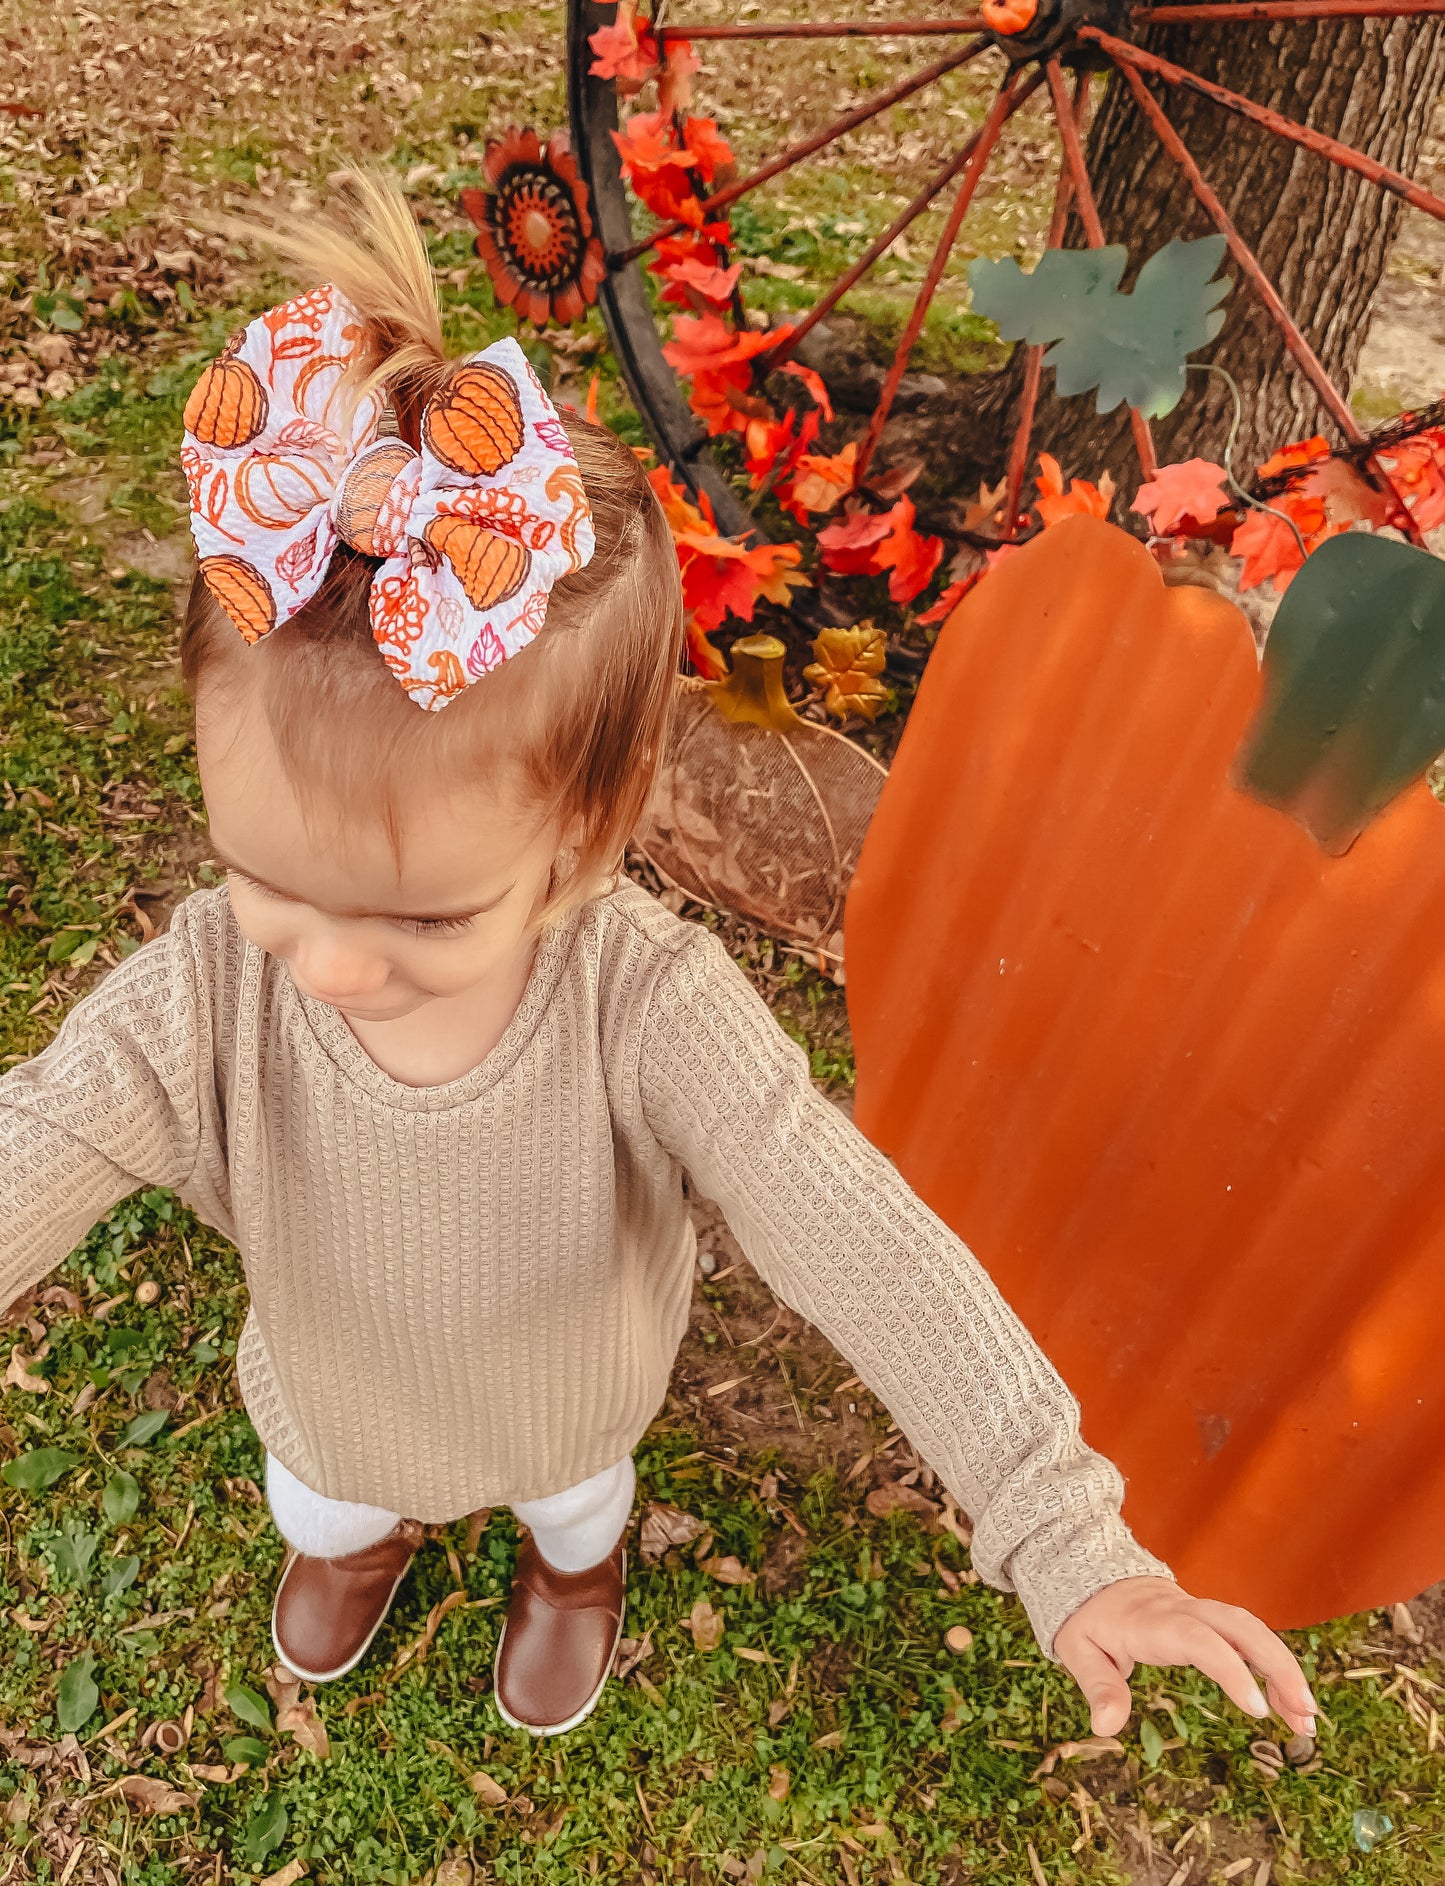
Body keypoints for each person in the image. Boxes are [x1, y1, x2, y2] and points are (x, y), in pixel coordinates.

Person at [0, 177, 1316, 1743]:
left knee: (570, 1502)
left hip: (570, 1404)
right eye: (264, 880)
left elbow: (859, 1240)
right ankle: (370, 1532)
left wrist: (1060, 1527)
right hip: (335, 1401)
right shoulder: (210, 994)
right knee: (327, 1497)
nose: (328, 967)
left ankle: (572, 1573)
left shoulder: (644, 1005)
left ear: (582, 837)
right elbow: (42, 1131)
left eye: (422, 919)